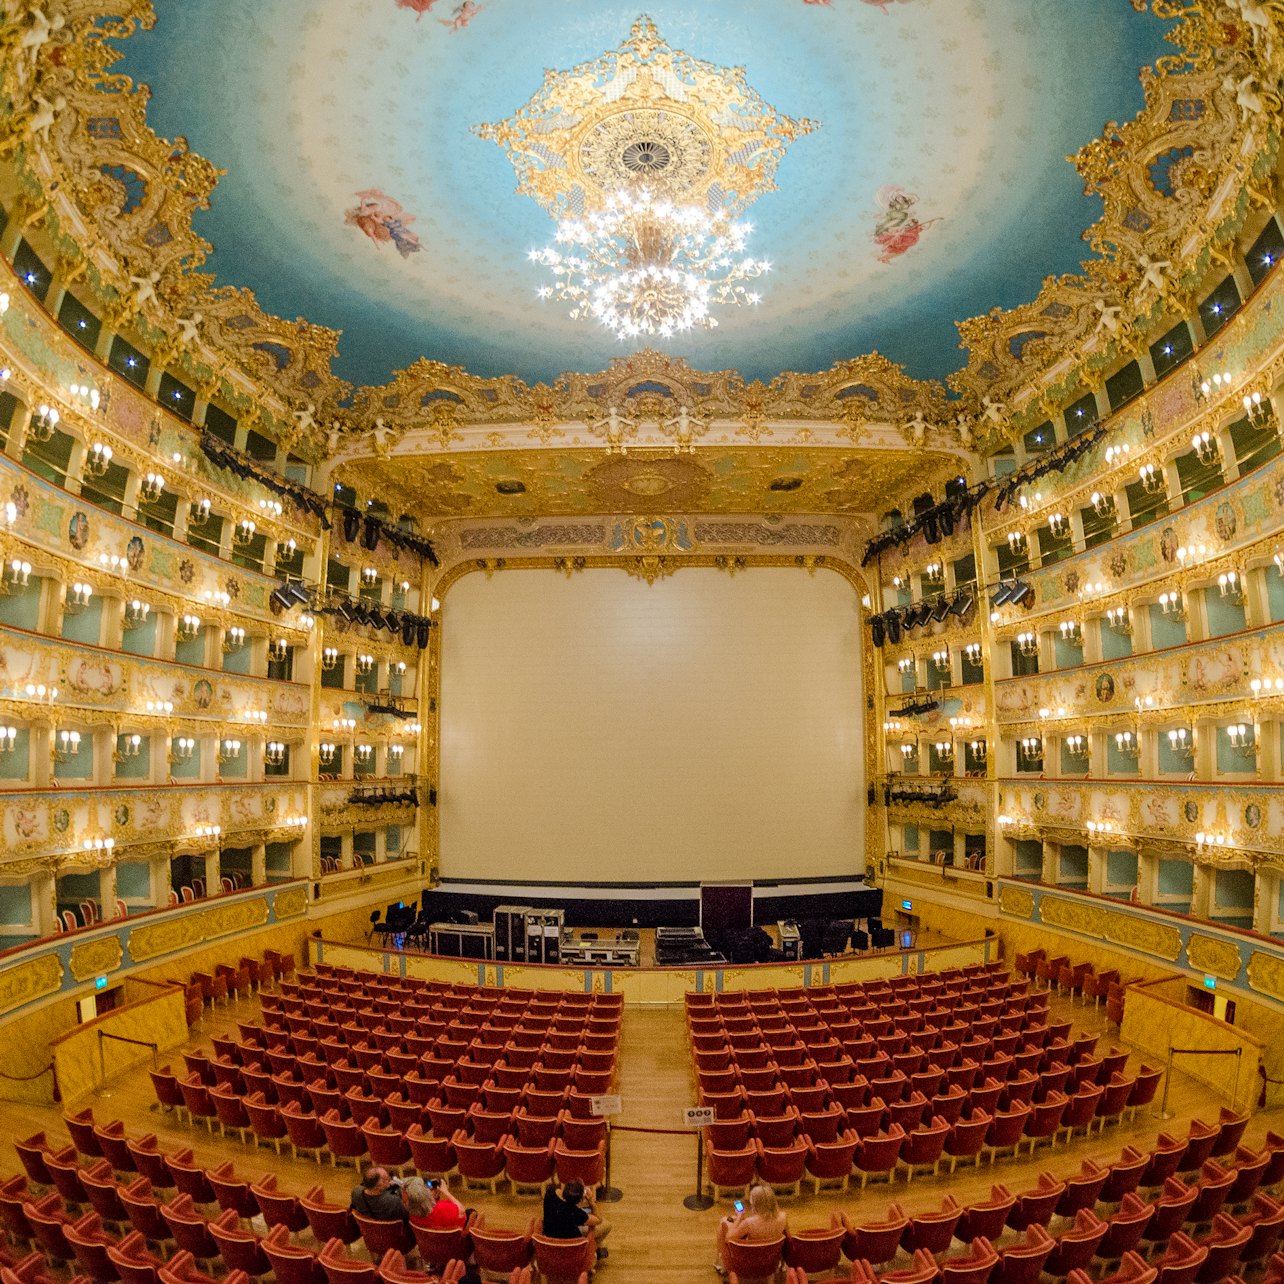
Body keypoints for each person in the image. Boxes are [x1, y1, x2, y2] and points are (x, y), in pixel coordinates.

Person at [715, 1185, 786, 1275]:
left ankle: (721, 1264)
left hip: (751, 1259)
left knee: (723, 1223)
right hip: (771, 1259)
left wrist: (739, 1216)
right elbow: (788, 1238)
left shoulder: (749, 1223)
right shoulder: (783, 1217)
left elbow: (728, 1238)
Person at [542, 1179, 610, 1258]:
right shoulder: (575, 1212)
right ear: (579, 1200)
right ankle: (593, 1251)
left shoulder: (550, 1192)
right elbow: (598, 1219)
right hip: (572, 1243)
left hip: (550, 1236)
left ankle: (596, 1247)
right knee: (607, 1225)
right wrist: (591, 1202)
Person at [403, 1177, 467, 1231]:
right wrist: (446, 1192)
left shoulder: (411, 1214)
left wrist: (427, 1196)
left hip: (426, 1240)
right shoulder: (443, 1209)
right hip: (452, 1240)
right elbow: (462, 1210)